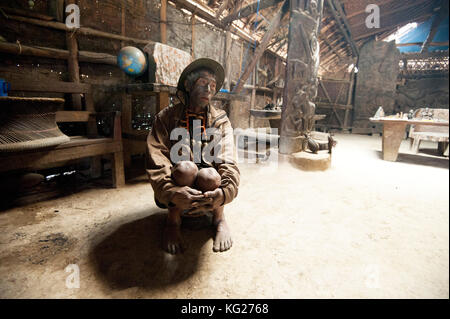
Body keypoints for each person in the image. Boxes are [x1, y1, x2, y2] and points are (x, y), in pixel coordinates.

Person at [145, 58, 240, 255]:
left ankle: (219, 219)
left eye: (212, 85)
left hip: (208, 186)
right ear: (188, 85)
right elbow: (157, 159)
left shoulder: (220, 121)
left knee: (211, 175)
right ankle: (173, 221)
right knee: (185, 168)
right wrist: (170, 191)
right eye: (202, 83)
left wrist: (224, 193)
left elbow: (228, 160)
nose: (208, 90)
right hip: (180, 182)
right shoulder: (166, 117)